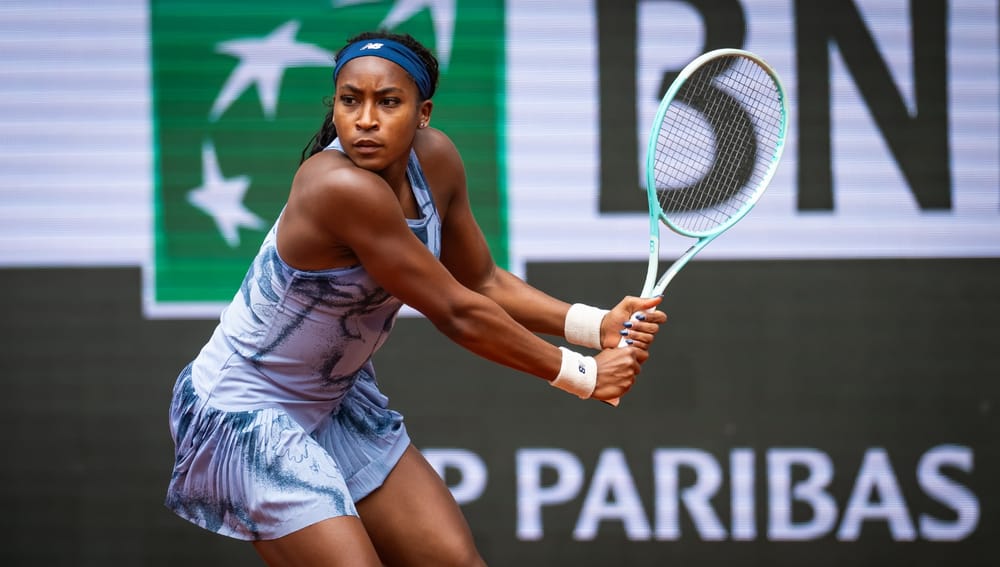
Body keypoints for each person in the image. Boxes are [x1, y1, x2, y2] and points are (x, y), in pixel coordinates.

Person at [165, 30, 667, 567]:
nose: (365, 119)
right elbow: (455, 311)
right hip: (244, 411)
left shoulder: (437, 161)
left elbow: (481, 281)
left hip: (333, 400)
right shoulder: (337, 187)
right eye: (349, 100)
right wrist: (585, 377)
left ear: (422, 112)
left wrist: (593, 327)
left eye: (389, 102)